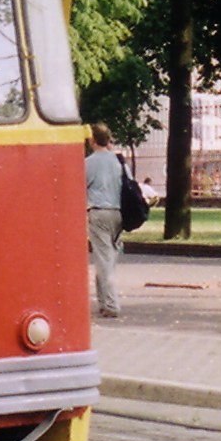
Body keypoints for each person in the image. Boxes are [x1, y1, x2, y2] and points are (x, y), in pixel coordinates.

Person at [85, 123, 127, 319]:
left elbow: (80, 186)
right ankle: (103, 302)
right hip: (118, 213)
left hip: (99, 212)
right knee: (107, 259)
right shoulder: (118, 161)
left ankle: (111, 304)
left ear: (92, 140)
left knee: (103, 261)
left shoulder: (89, 163)